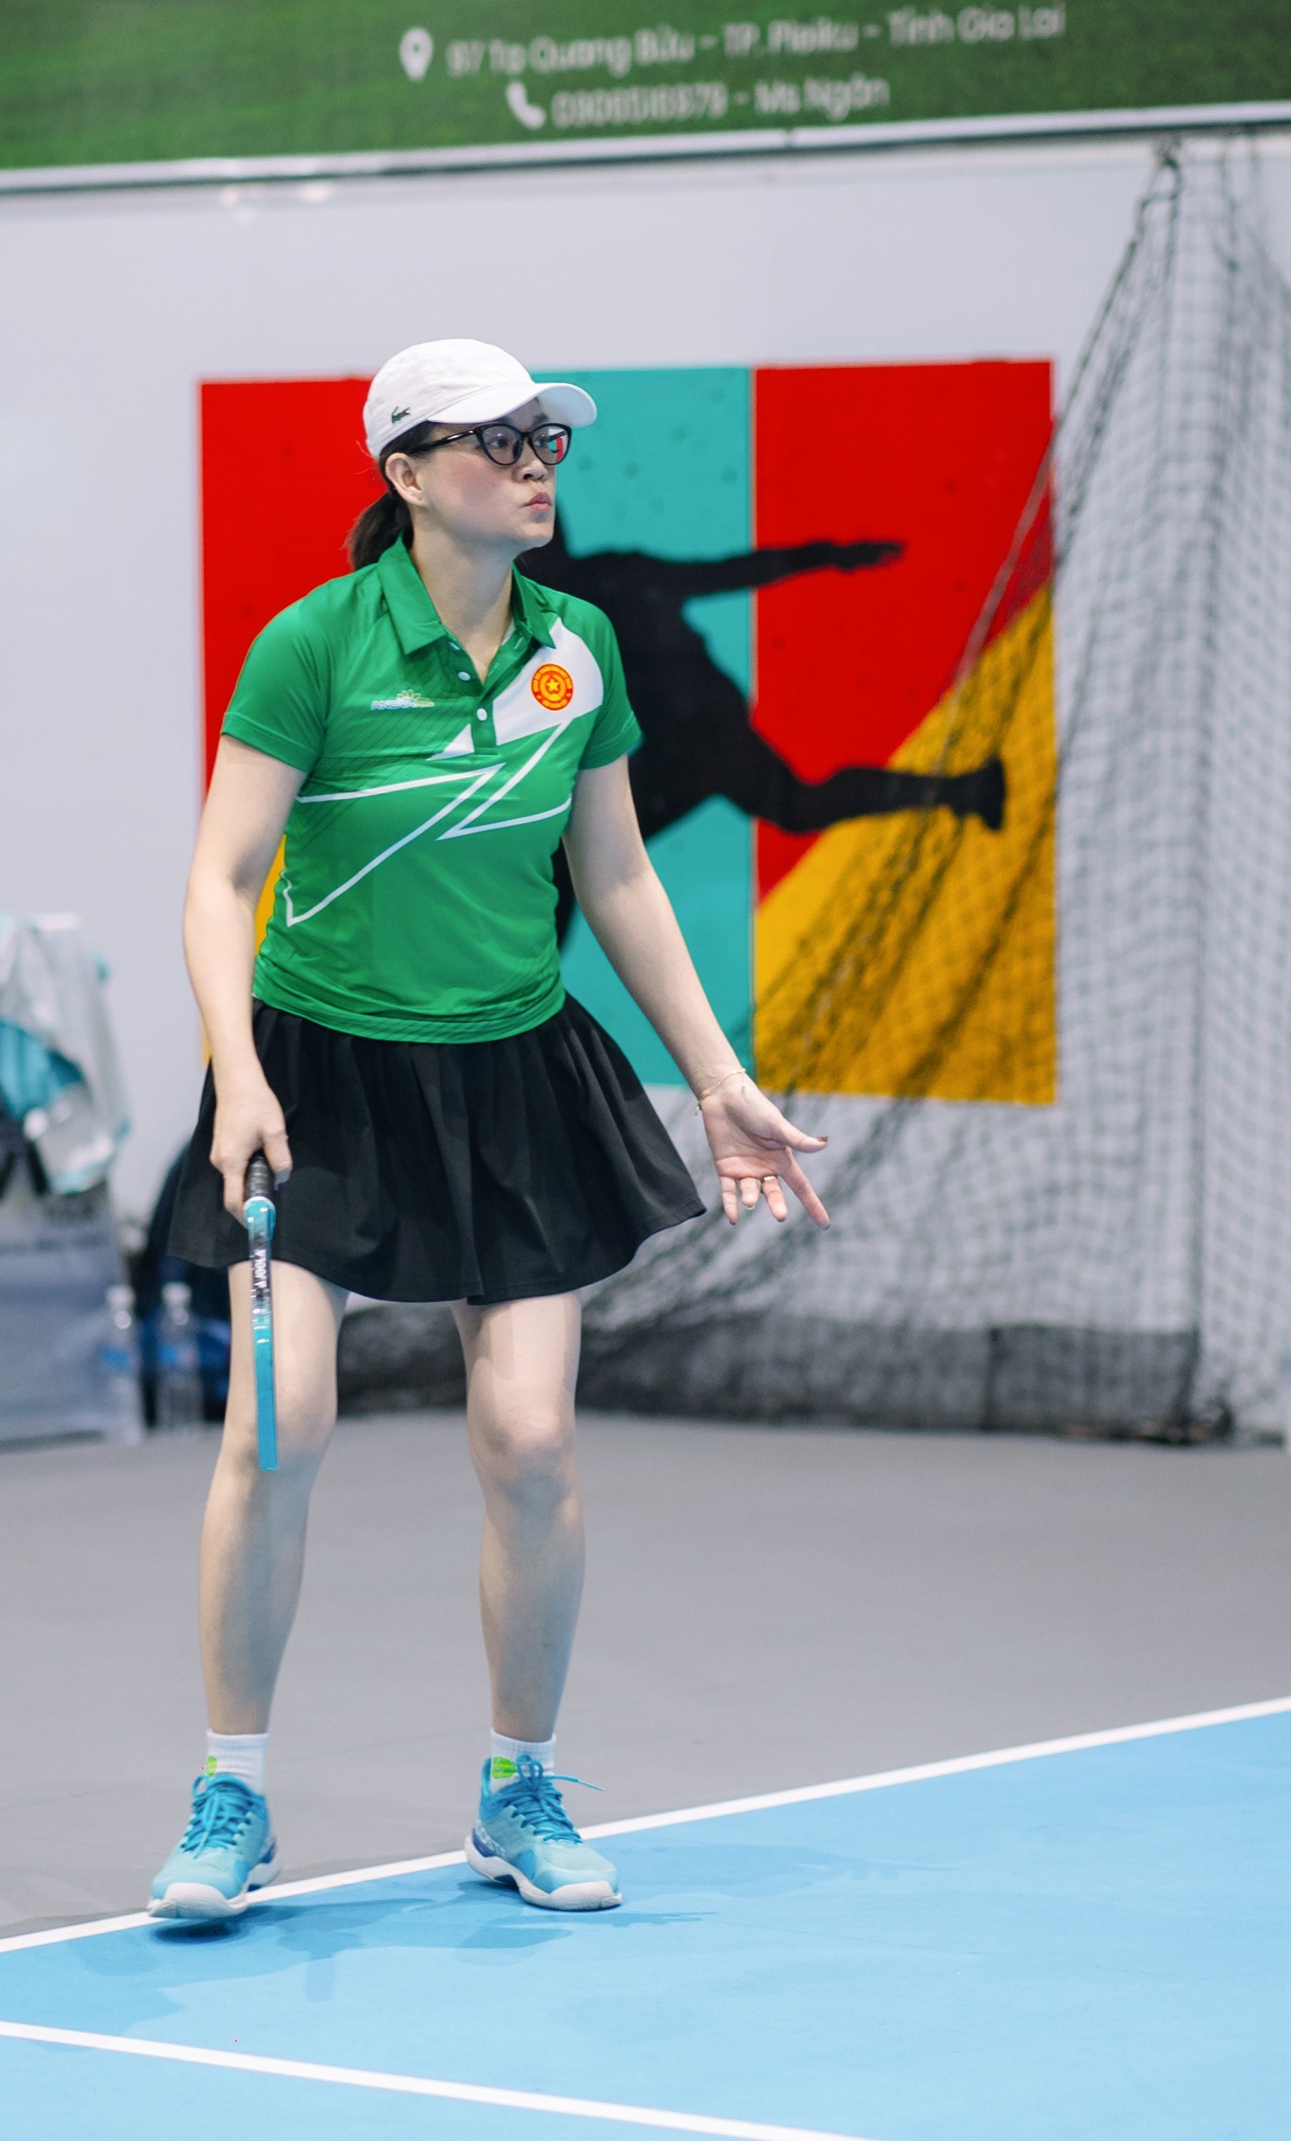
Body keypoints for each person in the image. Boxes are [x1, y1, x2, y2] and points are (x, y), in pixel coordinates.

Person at [149, 339, 830, 1924]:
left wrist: (713, 1076)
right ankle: (229, 1793)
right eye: (496, 440)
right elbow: (219, 880)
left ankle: (518, 1786)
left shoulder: (574, 646)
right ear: (403, 475)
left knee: (530, 1441)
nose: (535, 464)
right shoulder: (314, 645)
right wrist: (234, 1071)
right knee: (279, 1424)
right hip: (316, 1082)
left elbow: (615, 877)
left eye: (545, 439)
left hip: (512, 1080)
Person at [533, 521, 1005, 940]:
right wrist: (827, 556)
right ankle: (964, 790)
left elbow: (726, 574)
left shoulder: (585, 597)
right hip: (696, 732)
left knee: (575, 851)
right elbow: (725, 573)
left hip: (696, 739)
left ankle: (964, 789)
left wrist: (825, 556)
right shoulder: (595, 588)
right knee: (797, 806)